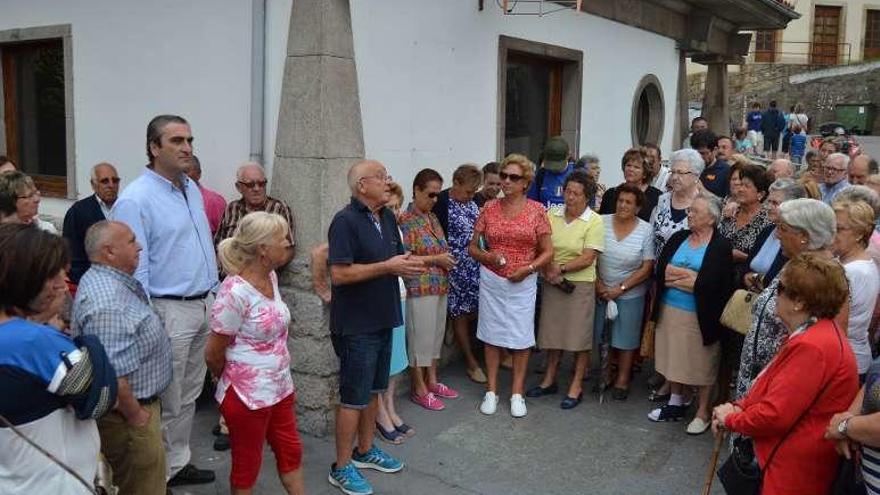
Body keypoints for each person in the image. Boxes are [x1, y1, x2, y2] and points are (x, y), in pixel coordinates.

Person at [111, 114, 219, 486]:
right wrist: (147, 318)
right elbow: (133, 266)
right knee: (166, 398)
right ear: (154, 148)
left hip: (202, 304)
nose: (187, 148)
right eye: (176, 141)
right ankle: (156, 476)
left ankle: (178, 462)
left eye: (189, 140)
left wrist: (214, 294)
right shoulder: (136, 198)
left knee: (189, 395)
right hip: (167, 311)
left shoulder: (189, 187)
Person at [713, 253, 858, 495]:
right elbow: (772, 387)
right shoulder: (812, 333)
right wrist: (740, 406)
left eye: (780, 287)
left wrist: (731, 419)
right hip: (793, 459)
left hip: (792, 469)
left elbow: (775, 414)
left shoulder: (812, 345)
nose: (773, 293)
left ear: (798, 302)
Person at [327, 159, 422, 495]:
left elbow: (397, 259)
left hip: (384, 317)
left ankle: (365, 450)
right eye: (381, 177)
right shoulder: (344, 221)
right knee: (353, 398)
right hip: (356, 325)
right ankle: (341, 467)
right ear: (361, 185)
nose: (388, 182)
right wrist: (387, 266)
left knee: (373, 391)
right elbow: (339, 274)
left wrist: (422, 263)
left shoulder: (386, 216)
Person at [0, 223, 116, 495]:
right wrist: (89, 343)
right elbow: (99, 397)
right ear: (29, 280)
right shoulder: (33, 343)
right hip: (51, 484)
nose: (63, 284)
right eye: (55, 274)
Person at [205, 212, 304, 495]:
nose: (288, 242)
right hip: (247, 396)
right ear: (263, 249)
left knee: (291, 451)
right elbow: (213, 353)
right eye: (282, 238)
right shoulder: (234, 292)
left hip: (280, 387)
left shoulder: (270, 276)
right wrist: (232, 380)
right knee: (248, 463)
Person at [72, 220, 172, 495]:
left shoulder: (111, 282)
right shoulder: (108, 303)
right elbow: (115, 375)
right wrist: (137, 416)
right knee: (141, 487)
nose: (139, 246)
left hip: (136, 412)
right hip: (128, 419)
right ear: (109, 252)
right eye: (131, 241)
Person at [468, 153, 553, 418]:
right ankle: (491, 391)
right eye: (504, 176)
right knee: (491, 335)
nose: (506, 181)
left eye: (513, 177)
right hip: (492, 279)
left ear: (525, 182)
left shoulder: (537, 211)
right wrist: (487, 256)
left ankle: (517, 393)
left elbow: (548, 251)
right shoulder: (488, 208)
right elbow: (473, 247)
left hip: (523, 281)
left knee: (520, 337)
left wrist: (527, 269)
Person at [735, 199, 840, 401]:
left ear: (803, 236)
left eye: (782, 228)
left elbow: (825, 339)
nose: (776, 234)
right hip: (758, 375)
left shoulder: (824, 276)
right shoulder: (793, 263)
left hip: (781, 383)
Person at [648, 193, 733, 435]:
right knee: (674, 357)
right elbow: (662, 272)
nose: (689, 214)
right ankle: (676, 401)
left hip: (701, 316)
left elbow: (711, 285)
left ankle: (703, 411)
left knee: (701, 363)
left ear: (710, 219)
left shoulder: (720, 246)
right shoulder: (678, 238)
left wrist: (686, 278)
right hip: (670, 309)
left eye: (695, 211)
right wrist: (690, 279)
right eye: (690, 210)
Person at [527, 171, 604, 409]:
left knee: (578, 338)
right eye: (567, 192)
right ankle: (549, 379)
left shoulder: (594, 221)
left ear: (587, 197)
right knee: (553, 335)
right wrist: (548, 269)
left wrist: (558, 268)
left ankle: (576, 384)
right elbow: (542, 244)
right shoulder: (552, 214)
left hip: (578, 285)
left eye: (575, 193)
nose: (569, 197)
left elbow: (588, 257)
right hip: (552, 282)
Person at [399, 168, 458, 411]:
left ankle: (432, 380)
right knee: (419, 340)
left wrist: (444, 259)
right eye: (431, 195)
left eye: (437, 195)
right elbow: (405, 258)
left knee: (434, 338)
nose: (435, 200)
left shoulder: (431, 217)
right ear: (416, 191)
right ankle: (418, 387)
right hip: (419, 286)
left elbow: (439, 248)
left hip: (439, 285)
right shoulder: (405, 219)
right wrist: (437, 260)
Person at [594, 183, 654, 400]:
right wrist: (599, 285)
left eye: (629, 202)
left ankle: (622, 379)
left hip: (630, 293)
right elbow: (591, 255)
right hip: (602, 289)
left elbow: (647, 266)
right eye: (620, 200)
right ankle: (606, 374)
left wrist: (620, 289)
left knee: (626, 338)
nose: (623, 205)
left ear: (638, 207)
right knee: (603, 335)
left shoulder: (646, 229)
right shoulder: (601, 222)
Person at [438, 164, 486, 383]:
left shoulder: (474, 202)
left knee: (478, 309)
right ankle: (471, 363)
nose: (470, 196)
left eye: (474, 192)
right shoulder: (441, 202)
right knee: (459, 312)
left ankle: (486, 352)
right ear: (455, 183)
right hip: (454, 268)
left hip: (476, 266)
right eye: (467, 191)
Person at [375, 182, 415, 443]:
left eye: (397, 206)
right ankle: (380, 413)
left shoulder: (395, 230)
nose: (394, 211)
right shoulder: (373, 230)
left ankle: (390, 406)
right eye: (389, 206)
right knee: (382, 361)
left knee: (397, 359)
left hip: (399, 295)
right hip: (381, 299)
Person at [832, 200, 879, 378]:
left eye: (840, 229)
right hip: (851, 357)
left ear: (859, 234)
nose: (833, 234)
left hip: (844, 362)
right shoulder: (855, 263)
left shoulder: (853, 271)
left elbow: (837, 325)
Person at [215, 162, 296, 254]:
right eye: (250, 185)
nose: (257, 189)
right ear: (238, 187)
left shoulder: (279, 209)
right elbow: (218, 244)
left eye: (261, 184)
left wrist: (266, 267)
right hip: (230, 267)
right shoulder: (232, 208)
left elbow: (289, 249)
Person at [743, 179, 807, 291]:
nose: (769, 207)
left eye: (775, 203)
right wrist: (746, 276)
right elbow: (748, 265)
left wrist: (762, 283)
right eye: (769, 201)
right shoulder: (767, 230)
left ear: (792, 206)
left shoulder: (796, 239)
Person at [63, 162, 121, 285]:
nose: (111, 185)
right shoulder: (78, 211)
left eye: (115, 181)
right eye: (105, 181)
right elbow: (72, 254)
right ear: (93, 185)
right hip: (92, 282)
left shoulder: (127, 207)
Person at [719, 162, 773, 284]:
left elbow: (766, 260)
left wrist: (741, 256)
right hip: (718, 273)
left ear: (761, 194)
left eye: (747, 186)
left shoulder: (767, 221)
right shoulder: (730, 211)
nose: (740, 189)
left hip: (744, 280)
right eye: (741, 184)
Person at [651, 149, 704, 258]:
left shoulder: (704, 206)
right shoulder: (662, 200)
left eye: (680, 173)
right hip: (657, 271)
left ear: (696, 176)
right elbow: (650, 237)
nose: (674, 177)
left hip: (686, 271)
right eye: (673, 172)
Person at [599, 148, 662, 222]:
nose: (631, 169)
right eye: (628, 165)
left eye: (636, 167)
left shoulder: (657, 197)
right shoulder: (610, 194)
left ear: (645, 173)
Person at [527, 136, 575, 212]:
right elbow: (531, 204)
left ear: (568, 155)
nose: (554, 168)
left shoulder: (577, 174)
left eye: (558, 163)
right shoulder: (541, 175)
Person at [186, 155, 227, 235]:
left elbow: (223, 236)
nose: (182, 175)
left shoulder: (214, 201)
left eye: (186, 171)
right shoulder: (169, 199)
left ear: (199, 174)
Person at [692, 131, 731, 198]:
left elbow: (727, 202)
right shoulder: (688, 169)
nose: (698, 157)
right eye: (695, 153)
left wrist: (703, 191)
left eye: (703, 153)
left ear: (715, 150)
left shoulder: (726, 171)